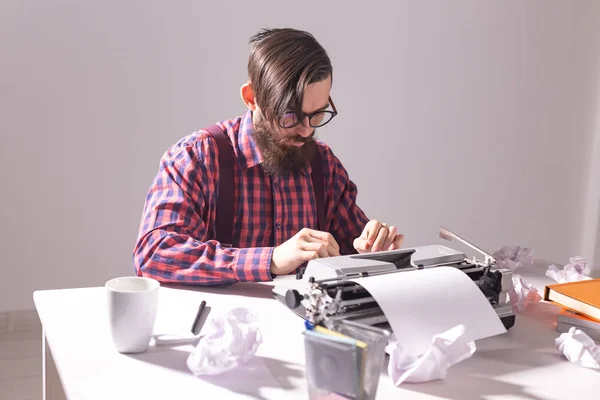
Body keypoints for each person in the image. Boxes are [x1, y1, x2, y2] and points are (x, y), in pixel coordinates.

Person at [132, 28, 404, 285]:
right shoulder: (197, 158)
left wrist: (370, 248)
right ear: (251, 98)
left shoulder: (324, 166)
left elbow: (354, 249)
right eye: (290, 115)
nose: (306, 130)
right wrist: (271, 259)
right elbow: (153, 254)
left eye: (318, 114)